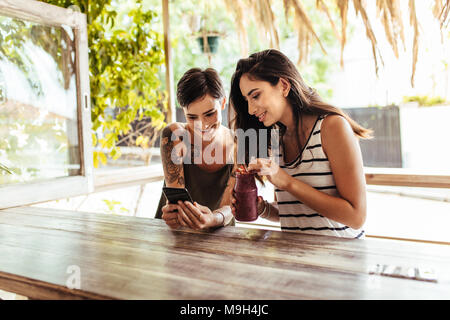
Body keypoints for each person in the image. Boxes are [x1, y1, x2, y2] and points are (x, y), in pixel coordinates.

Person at [229, 49, 371, 238]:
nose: (250, 109)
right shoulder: (277, 139)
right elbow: (293, 214)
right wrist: (262, 208)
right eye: (246, 100)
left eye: (255, 96)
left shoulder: (332, 127)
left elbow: (356, 216)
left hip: (341, 261)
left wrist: (286, 181)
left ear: (284, 86)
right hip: (298, 259)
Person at [155, 68, 235, 230]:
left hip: (220, 234)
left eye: (210, 113)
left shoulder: (240, 144)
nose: (202, 125)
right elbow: (177, 202)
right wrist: (174, 214)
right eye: (192, 117)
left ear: (223, 103)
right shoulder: (174, 136)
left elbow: (232, 207)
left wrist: (213, 218)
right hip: (176, 233)